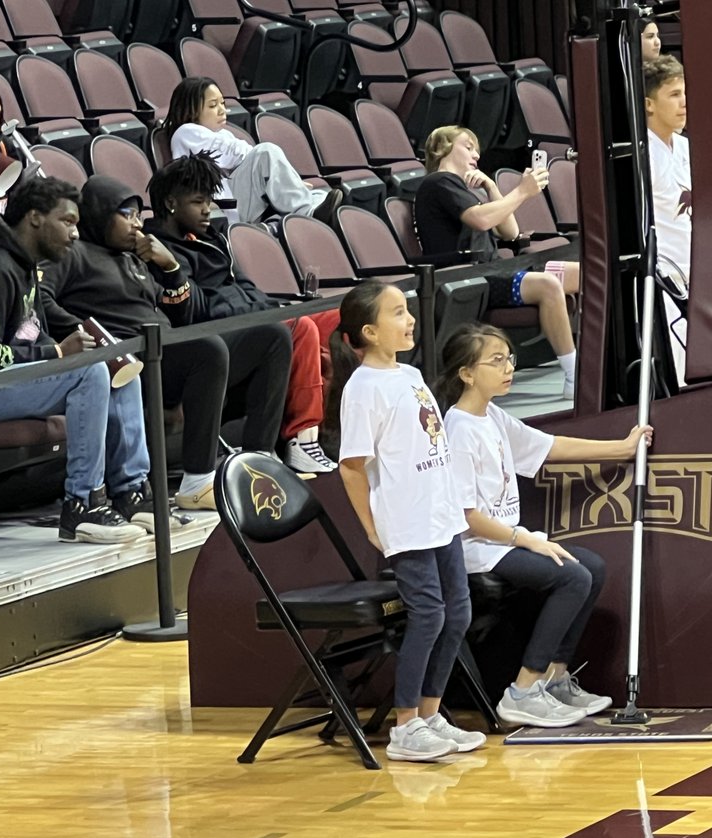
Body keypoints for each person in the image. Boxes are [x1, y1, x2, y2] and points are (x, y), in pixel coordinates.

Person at [437, 323, 652, 726]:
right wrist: (527, 541)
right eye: (496, 361)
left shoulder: (493, 416)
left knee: (593, 567)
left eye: (509, 359)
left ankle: (554, 677)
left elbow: (549, 446)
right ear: (467, 373)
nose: (508, 368)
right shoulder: (459, 429)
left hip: (504, 541)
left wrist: (621, 448)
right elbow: (467, 517)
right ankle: (522, 691)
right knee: (571, 576)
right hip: (475, 548)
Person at [38, 175, 294, 509]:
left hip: (169, 352)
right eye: (125, 215)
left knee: (273, 336)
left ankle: (258, 461)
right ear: (100, 214)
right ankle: (197, 480)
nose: (134, 224)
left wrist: (171, 267)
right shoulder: (74, 254)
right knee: (208, 349)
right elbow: (40, 298)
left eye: (136, 216)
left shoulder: (135, 259)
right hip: (131, 362)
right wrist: (90, 333)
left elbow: (186, 316)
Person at [0, 176, 149, 543]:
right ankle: (82, 504)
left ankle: (131, 493)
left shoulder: (25, 265)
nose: (76, 234)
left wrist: (66, 348)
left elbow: (29, 331)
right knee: (88, 373)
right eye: (67, 222)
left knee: (117, 368)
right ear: (34, 218)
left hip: (7, 383)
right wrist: (58, 353)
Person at [335, 281, 485, 763]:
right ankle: (404, 725)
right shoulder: (362, 390)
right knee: (429, 615)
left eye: (408, 310)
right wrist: (371, 528)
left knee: (457, 612)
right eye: (397, 313)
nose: (410, 319)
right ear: (370, 331)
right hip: (408, 520)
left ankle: (430, 713)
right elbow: (351, 467)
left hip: (440, 515)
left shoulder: (410, 372)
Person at [143, 153, 338, 473]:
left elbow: (247, 288)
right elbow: (191, 315)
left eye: (209, 200)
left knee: (340, 316)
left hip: (245, 325)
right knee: (296, 329)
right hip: (205, 347)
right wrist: (175, 269)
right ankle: (288, 445)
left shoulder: (213, 240)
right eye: (198, 201)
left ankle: (336, 433)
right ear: (171, 203)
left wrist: (255, 308)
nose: (208, 209)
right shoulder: (158, 252)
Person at [415, 125, 579, 399]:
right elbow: (481, 220)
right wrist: (523, 192)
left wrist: (491, 186)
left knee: (587, 274)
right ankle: (575, 375)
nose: (476, 154)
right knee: (549, 286)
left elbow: (510, 231)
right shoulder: (439, 182)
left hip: (495, 271)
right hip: (471, 279)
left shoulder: (463, 190)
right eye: (468, 146)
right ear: (440, 148)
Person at [162, 77, 343, 225]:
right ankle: (307, 215)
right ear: (191, 111)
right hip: (222, 206)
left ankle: (279, 222)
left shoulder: (221, 133)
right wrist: (278, 176)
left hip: (240, 199)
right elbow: (235, 155)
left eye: (223, 103)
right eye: (212, 105)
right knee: (266, 152)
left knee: (321, 194)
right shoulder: (185, 132)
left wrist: (287, 182)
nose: (222, 110)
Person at [644, 54, 691, 387]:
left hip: (700, 272)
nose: (684, 102)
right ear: (649, 104)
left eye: (685, 93)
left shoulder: (688, 147)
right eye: (674, 95)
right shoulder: (642, 154)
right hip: (665, 278)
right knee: (678, 372)